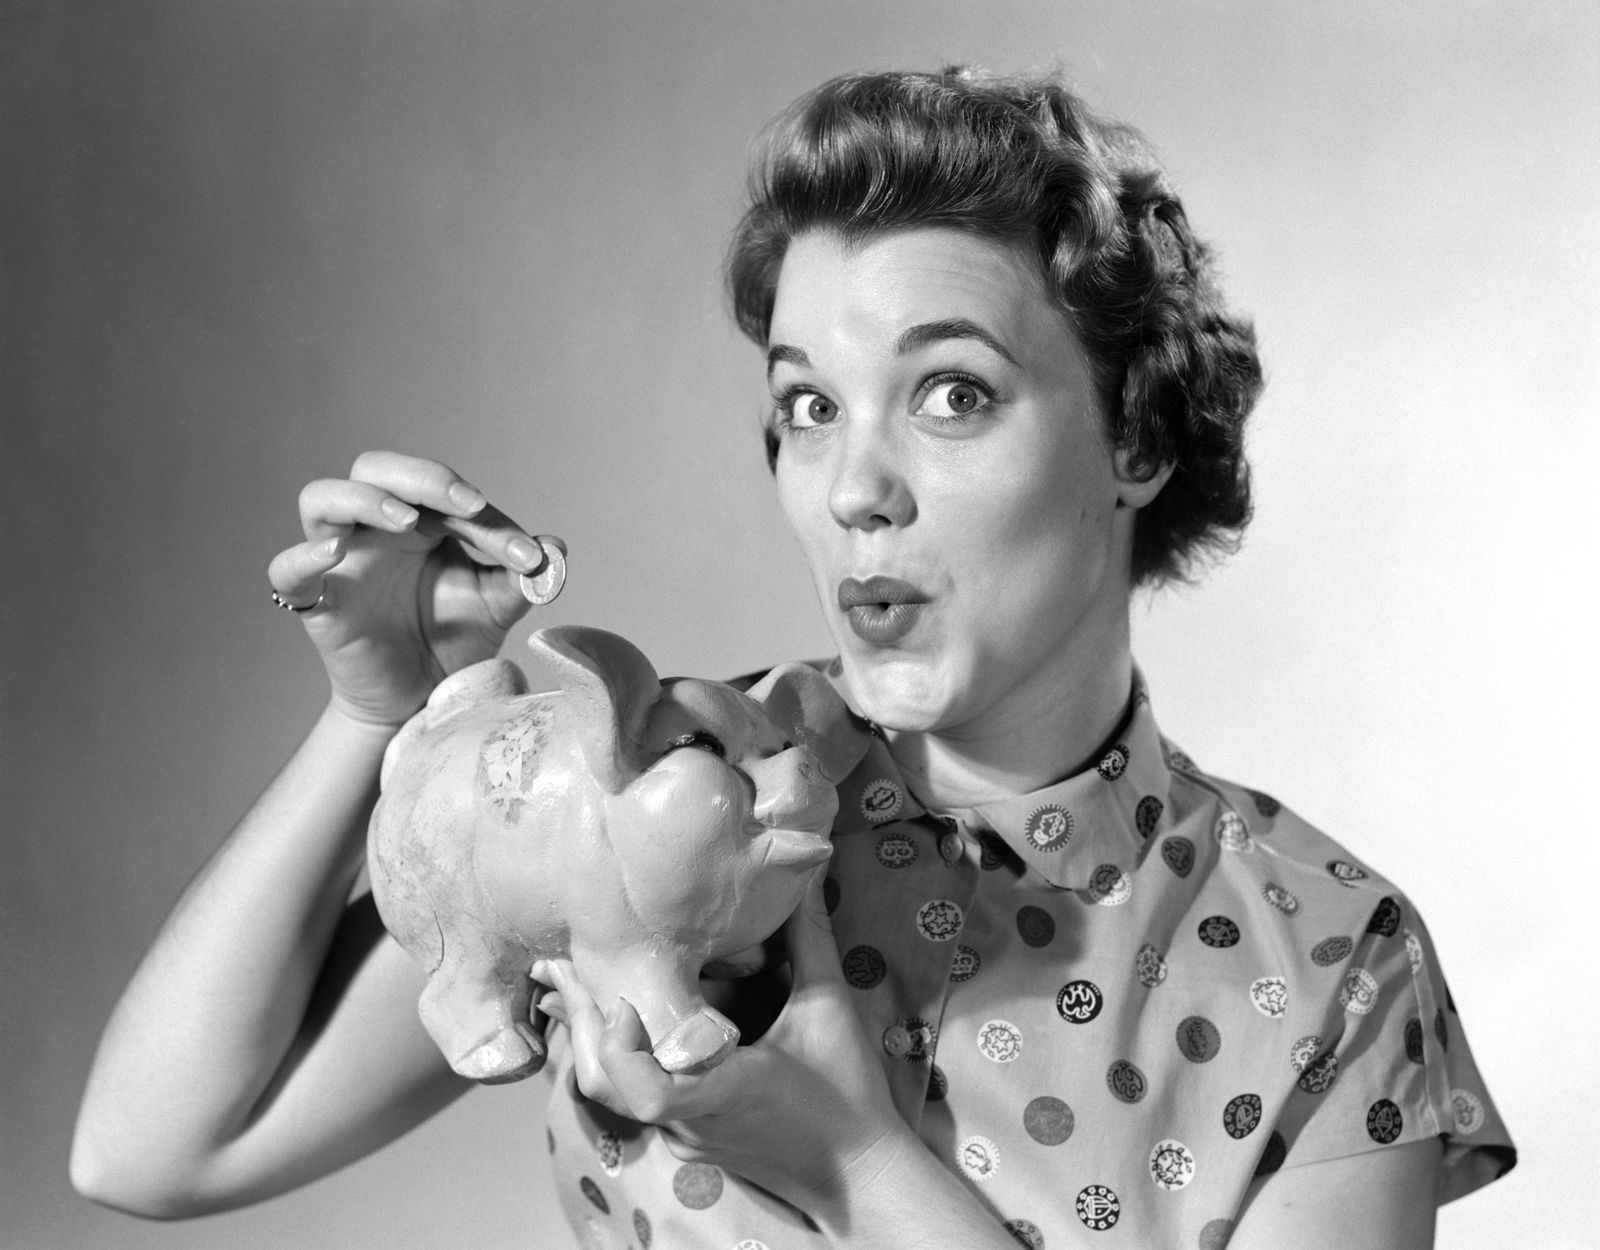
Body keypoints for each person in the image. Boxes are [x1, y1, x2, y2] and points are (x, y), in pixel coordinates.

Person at [71, 68, 1513, 1248]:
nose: (853, 488)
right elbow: (151, 1149)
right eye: (809, 407)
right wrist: (371, 717)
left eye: (950, 393)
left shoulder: (1329, 960)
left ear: (1133, 437)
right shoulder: (651, 793)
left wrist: (850, 1168)